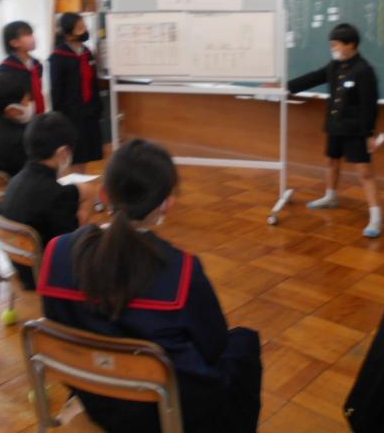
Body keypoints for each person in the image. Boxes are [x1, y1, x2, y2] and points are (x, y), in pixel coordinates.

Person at [37, 139, 262, 433]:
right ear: (166, 203)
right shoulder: (181, 271)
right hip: (164, 410)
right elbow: (214, 346)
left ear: (103, 194)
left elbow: (56, 322)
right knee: (243, 343)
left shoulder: (56, 252)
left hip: (93, 393)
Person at [287, 23, 383, 238]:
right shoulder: (335, 65)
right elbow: (313, 77)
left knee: (365, 173)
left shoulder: (364, 70)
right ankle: (330, 196)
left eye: (336, 44)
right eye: (332, 45)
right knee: (332, 161)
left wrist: (369, 134)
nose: (333, 48)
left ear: (351, 45)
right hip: (335, 125)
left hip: (356, 130)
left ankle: (376, 216)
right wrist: (285, 86)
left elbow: (370, 105)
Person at [0, 112, 86, 290]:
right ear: (63, 152)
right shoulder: (57, 194)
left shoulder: (14, 181)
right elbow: (70, 247)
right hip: (45, 276)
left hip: (20, 268)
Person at [49, 13, 103, 173]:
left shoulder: (87, 52)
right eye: (79, 27)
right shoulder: (58, 57)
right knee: (74, 155)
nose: (84, 30)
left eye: (84, 25)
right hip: (71, 114)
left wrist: (97, 108)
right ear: (68, 34)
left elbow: (93, 82)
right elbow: (56, 90)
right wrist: (59, 117)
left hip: (89, 112)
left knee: (86, 154)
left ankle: (81, 181)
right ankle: (73, 183)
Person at [0, 20, 46, 114]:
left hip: (37, 113)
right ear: (14, 43)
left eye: (31, 34)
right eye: (26, 35)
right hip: (19, 115)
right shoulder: (5, 69)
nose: (32, 38)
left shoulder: (37, 64)